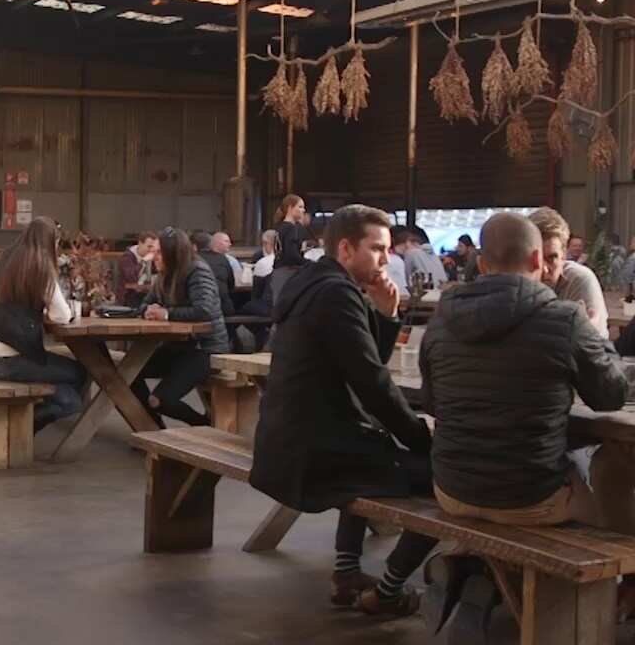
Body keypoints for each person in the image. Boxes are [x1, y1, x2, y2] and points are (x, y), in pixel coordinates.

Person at [422, 213, 634, 616]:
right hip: (530, 499)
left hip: (451, 489)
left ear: (482, 264)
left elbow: (432, 406)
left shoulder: (441, 318)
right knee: (611, 481)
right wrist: (594, 346)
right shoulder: (563, 318)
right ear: (538, 260)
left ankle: (478, 570)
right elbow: (611, 395)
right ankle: (607, 602)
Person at [250, 204, 437, 617]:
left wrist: (385, 315)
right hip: (313, 455)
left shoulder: (314, 283)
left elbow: (360, 366)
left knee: (370, 438)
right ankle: (390, 588)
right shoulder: (336, 293)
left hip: (290, 443)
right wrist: (423, 439)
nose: (387, 259)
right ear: (347, 248)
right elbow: (372, 384)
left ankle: (348, 571)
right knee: (450, 475)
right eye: (378, 249)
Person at [0, 217, 87, 434]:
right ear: (51, 243)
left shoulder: (7, 258)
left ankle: (44, 411)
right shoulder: (41, 266)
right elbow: (63, 315)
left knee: (63, 378)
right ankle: (27, 426)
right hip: (10, 362)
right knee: (80, 373)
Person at [131, 228, 230, 427]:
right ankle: (152, 431)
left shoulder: (197, 270)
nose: (153, 257)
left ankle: (205, 427)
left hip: (205, 349)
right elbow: (143, 304)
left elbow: (204, 310)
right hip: (178, 347)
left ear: (172, 254)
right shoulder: (163, 275)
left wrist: (166, 313)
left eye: (159, 252)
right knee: (126, 375)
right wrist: (147, 310)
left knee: (159, 400)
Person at [530, 207, 609, 338]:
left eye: (551, 258)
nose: (543, 268)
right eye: (537, 259)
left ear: (564, 255)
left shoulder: (580, 279)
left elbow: (591, 346)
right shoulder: (519, 278)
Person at [271, 194, 313, 304]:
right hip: (288, 273)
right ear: (290, 208)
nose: (303, 210)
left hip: (278, 272)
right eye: (300, 207)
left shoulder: (280, 226)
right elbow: (291, 255)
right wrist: (309, 263)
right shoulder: (291, 228)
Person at [196, 231, 236, 318]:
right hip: (223, 307)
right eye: (226, 241)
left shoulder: (192, 260)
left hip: (200, 308)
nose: (230, 244)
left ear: (194, 247)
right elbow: (231, 284)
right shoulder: (223, 259)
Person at [119, 231, 158, 308]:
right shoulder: (127, 257)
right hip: (128, 297)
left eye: (153, 247)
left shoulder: (154, 257)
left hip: (147, 294)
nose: (151, 250)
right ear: (140, 243)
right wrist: (144, 262)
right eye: (149, 247)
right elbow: (131, 278)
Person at [387, 226, 411, 296]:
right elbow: (402, 291)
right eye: (403, 242)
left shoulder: (393, 259)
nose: (408, 245)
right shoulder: (396, 260)